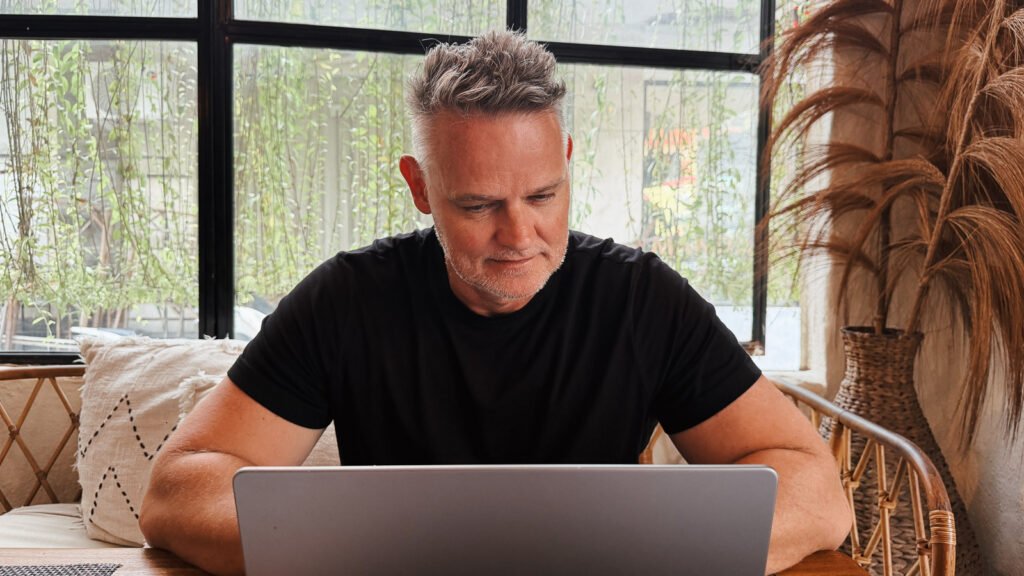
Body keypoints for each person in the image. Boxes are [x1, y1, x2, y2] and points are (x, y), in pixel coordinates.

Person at [140, 30, 850, 576]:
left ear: (567, 160)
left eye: (542, 196)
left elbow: (817, 491)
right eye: (478, 204)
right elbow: (176, 490)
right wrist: (374, 553)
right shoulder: (349, 299)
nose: (520, 236)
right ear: (420, 188)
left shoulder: (640, 300)